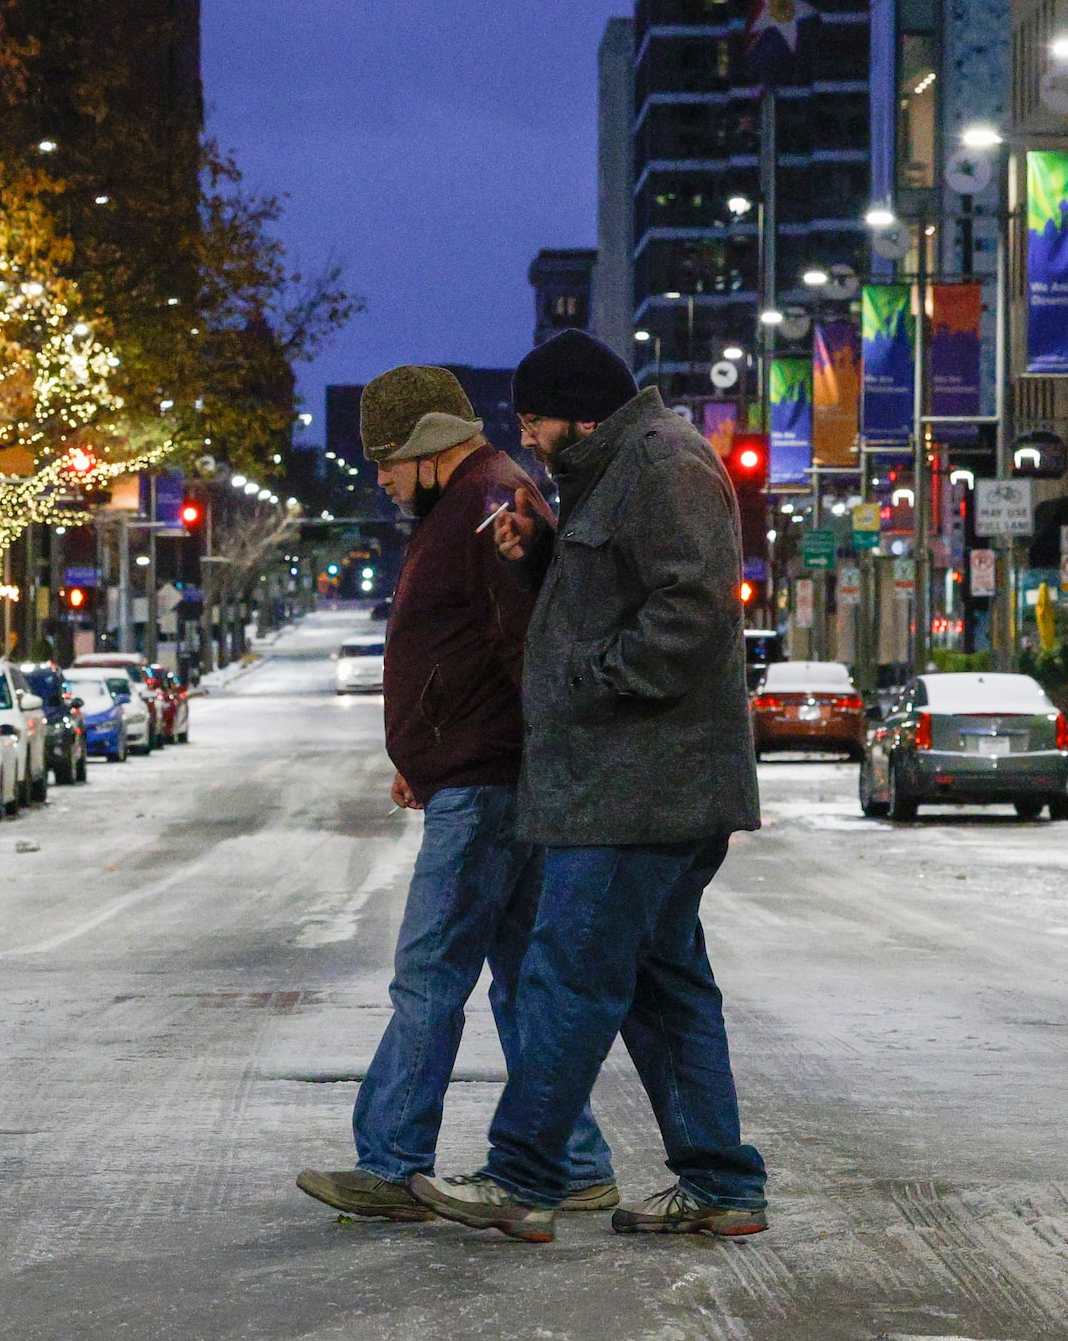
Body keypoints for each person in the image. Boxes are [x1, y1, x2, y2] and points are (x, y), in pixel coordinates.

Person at [409, 329, 767, 1244]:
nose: (527, 439)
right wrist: (540, 555)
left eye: (534, 422)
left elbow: (691, 610)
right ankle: (722, 1183)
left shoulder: (664, 466)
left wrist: (586, 676)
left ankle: (525, 1178)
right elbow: (623, 585)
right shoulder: (617, 470)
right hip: (635, 781)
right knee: (662, 982)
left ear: (581, 411)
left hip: (641, 783)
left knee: (566, 974)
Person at [296, 364, 617, 1223]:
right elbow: (471, 655)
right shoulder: (477, 500)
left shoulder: (488, 507)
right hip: (485, 772)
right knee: (518, 980)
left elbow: (526, 649)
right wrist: (432, 755)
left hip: (489, 784)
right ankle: (575, 1160)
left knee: (430, 973)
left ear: (429, 447)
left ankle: (396, 1162)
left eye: (388, 461)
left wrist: (479, 756)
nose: (381, 479)